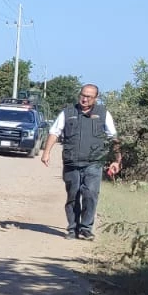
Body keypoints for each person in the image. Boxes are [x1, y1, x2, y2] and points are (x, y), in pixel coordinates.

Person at [40, 84, 122, 240]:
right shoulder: (68, 112)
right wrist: (46, 152)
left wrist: (117, 160)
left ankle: (86, 228)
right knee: (73, 195)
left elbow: (113, 137)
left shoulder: (103, 114)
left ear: (95, 98)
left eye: (89, 96)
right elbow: (54, 132)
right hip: (72, 162)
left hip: (94, 162)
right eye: (83, 95)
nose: (85, 99)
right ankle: (72, 228)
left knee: (90, 194)